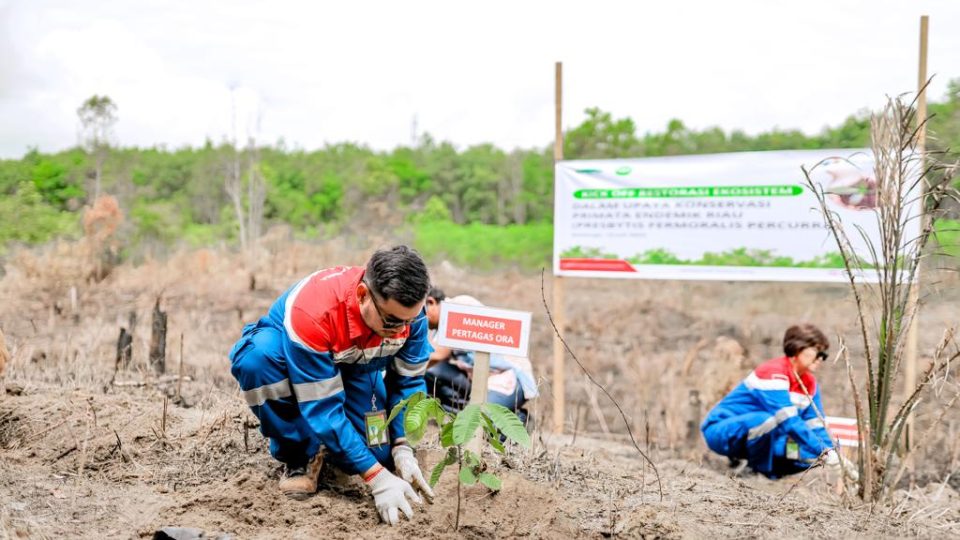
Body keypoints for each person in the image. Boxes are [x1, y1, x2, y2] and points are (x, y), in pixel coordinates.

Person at [228, 245, 435, 526]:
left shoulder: (410, 315)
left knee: (375, 454)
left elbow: (409, 381)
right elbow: (323, 407)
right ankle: (300, 452)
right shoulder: (314, 311)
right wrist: (377, 478)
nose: (402, 331)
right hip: (295, 361)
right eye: (392, 321)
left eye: (410, 321)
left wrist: (402, 445)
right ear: (363, 295)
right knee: (257, 360)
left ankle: (341, 447)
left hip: (357, 368)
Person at [700, 323, 858, 480]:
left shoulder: (810, 384)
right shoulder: (773, 372)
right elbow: (788, 420)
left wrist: (835, 455)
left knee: (809, 453)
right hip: (721, 432)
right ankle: (752, 470)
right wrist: (825, 453)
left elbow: (816, 425)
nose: (821, 358)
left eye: (824, 354)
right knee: (769, 420)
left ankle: (766, 474)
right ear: (798, 348)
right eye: (817, 350)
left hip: (764, 435)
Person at [422, 288, 537, 425]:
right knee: (431, 374)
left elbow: (439, 354)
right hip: (479, 379)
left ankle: (519, 421)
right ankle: (465, 415)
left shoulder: (458, 305)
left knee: (482, 423)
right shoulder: (438, 328)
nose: (420, 321)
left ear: (431, 302)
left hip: (508, 378)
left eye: (421, 314)